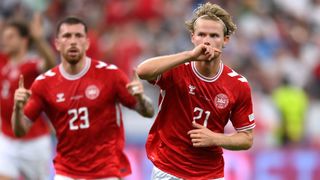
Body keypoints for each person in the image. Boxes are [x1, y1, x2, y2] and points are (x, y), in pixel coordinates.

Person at [12, 16, 154, 179]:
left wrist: (141, 99)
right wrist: (17, 109)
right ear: (57, 44)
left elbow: (148, 112)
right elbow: (20, 130)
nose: (73, 41)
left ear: (87, 43)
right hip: (67, 171)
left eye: (78, 36)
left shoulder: (110, 75)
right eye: (67, 36)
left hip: (107, 170)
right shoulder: (44, 84)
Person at [137, 2, 255, 179]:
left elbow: (246, 138)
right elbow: (142, 71)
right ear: (193, 37)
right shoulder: (176, 68)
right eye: (201, 34)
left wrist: (215, 138)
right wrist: (189, 55)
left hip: (210, 174)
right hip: (169, 170)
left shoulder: (238, 84)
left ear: (225, 40)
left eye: (214, 35)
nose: (207, 40)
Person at [0, 13, 56, 180]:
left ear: (24, 40)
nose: (5, 41)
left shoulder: (32, 66)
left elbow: (51, 64)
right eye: (4, 37)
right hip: (6, 139)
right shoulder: (2, 61)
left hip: (34, 141)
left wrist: (39, 39)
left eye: (10, 37)